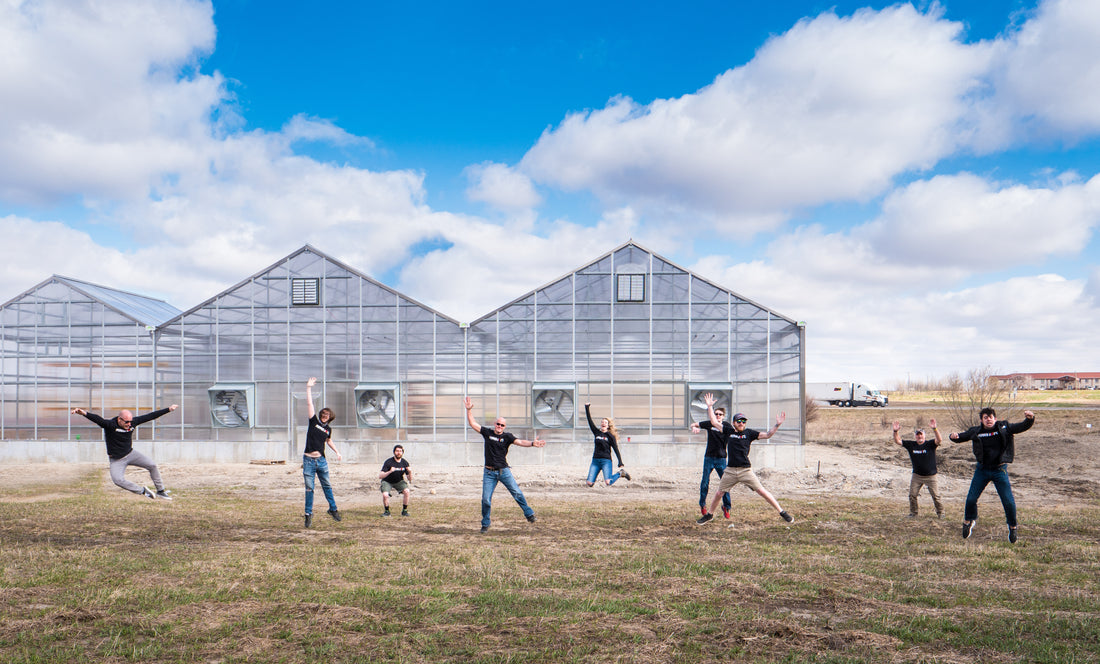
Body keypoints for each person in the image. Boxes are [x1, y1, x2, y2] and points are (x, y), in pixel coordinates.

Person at [697, 393, 792, 525]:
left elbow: (768, 435)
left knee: (762, 491)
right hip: (730, 471)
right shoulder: (729, 431)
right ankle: (709, 515)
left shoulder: (750, 433)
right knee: (719, 493)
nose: (741, 423)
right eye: (739, 421)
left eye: (743, 421)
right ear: (734, 423)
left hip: (745, 471)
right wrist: (709, 407)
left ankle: (782, 512)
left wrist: (777, 425)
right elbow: (713, 422)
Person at [949, 407, 1035, 543]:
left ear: (995, 418)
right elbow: (960, 437)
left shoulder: (1004, 427)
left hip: (999, 470)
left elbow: (1022, 426)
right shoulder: (976, 431)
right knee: (971, 499)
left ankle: (1012, 527)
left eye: (991, 417)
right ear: (981, 420)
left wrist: (1030, 419)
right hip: (982, 470)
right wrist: (953, 436)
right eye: (985, 417)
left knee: (1008, 501)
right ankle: (968, 521)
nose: (988, 419)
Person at [465, 396, 545, 533]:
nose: (499, 427)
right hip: (489, 473)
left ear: (504, 427)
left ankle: (529, 514)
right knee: (485, 500)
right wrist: (468, 410)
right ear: (494, 424)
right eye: (498, 424)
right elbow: (473, 424)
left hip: (503, 471)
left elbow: (520, 442)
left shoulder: (507, 437)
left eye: (502, 425)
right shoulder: (487, 433)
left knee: (517, 492)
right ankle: (485, 523)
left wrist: (532, 443)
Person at [71, 404, 178, 499]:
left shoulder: (132, 423)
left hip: (131, 454)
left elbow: (150, 416)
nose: (129, 424)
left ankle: (161, 491)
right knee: (117, 480)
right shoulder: (110, 425)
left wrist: (168, 409)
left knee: (152, 465)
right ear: (119, 419)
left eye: (130, 421)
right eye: (126, 422)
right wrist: (84, 413)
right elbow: (98, 419)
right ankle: (143, 491)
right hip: (116, 459)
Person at [302, 377, 342, 528]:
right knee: (309, 488)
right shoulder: (313, 421)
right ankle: (308, 514)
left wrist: (337, 452)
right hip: (308, 461)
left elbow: (329, 440)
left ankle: (333, 509)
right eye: (323, 414)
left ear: (330, 418)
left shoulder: (328, 429)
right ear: (320, 415)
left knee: (327, 485)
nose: (324, 416)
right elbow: (309, 403)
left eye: (327, 415)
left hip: (321, 461)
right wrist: (308, 388)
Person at [892, 419, 945, 518]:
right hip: (917, 476)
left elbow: (939, 440)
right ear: (915, 436)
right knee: (912, 495)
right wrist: (895, 431)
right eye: (918, 434)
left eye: (921, 434)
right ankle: (914, 513)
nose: (919, 436)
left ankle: (941, 513)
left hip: (931, 476)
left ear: (924, 436)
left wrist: (935, 429)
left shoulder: (930, 444)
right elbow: (898, 441)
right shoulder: (911, 445)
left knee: (936, 496)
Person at [691, 403, 732, 519]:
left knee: (725, 484)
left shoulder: (727, 427)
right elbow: (693, 424)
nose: (718, 416)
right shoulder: (709, 424)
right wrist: (694, 427)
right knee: (704, 482)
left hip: (721, 459)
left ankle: (726, 507)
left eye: (720, 414)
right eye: (716, 414)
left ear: (724, 416)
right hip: (709, 457)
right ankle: (702, 505)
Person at [583, 402, 630, 486]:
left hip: (606, 461)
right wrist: (587, 408)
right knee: (589, 483)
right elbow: (589, 421)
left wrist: (620, 461)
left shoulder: (610, 436)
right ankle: (592, 480)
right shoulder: (596, 432)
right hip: (595, 460)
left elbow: (615, 449)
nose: (603, 423)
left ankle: (620, 473)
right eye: (602, 422)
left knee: (608, 482)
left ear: (608, 425)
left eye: (605, 422)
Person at [379, 444, 412, 517]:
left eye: (400, 451)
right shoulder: (388, 462)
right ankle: (387, 512)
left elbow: (410, 480)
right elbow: (380, 476)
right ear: (394, 452)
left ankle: (404, 511)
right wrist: (390, 471)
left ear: (402, 452)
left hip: (399, 481)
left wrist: (409, 472)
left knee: (407, 491)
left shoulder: (404, 462)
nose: (398, 453)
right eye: (397, 451)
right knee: (385, 495)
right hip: (387, 481)